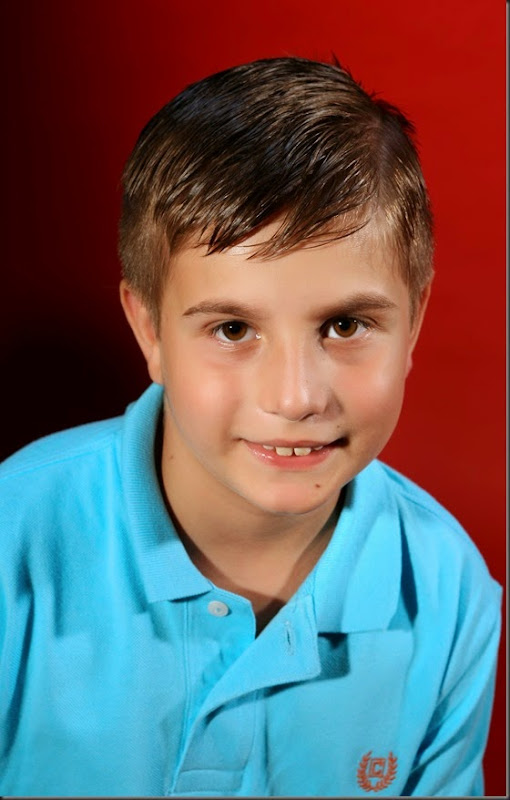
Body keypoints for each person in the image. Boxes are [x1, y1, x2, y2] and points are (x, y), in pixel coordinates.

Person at [0, 57, 501, 797]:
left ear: (414, 323)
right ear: (150, 330)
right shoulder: (12, 536)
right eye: (233, 329)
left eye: (345, 325)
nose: (295, 397)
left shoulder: (450, 595)